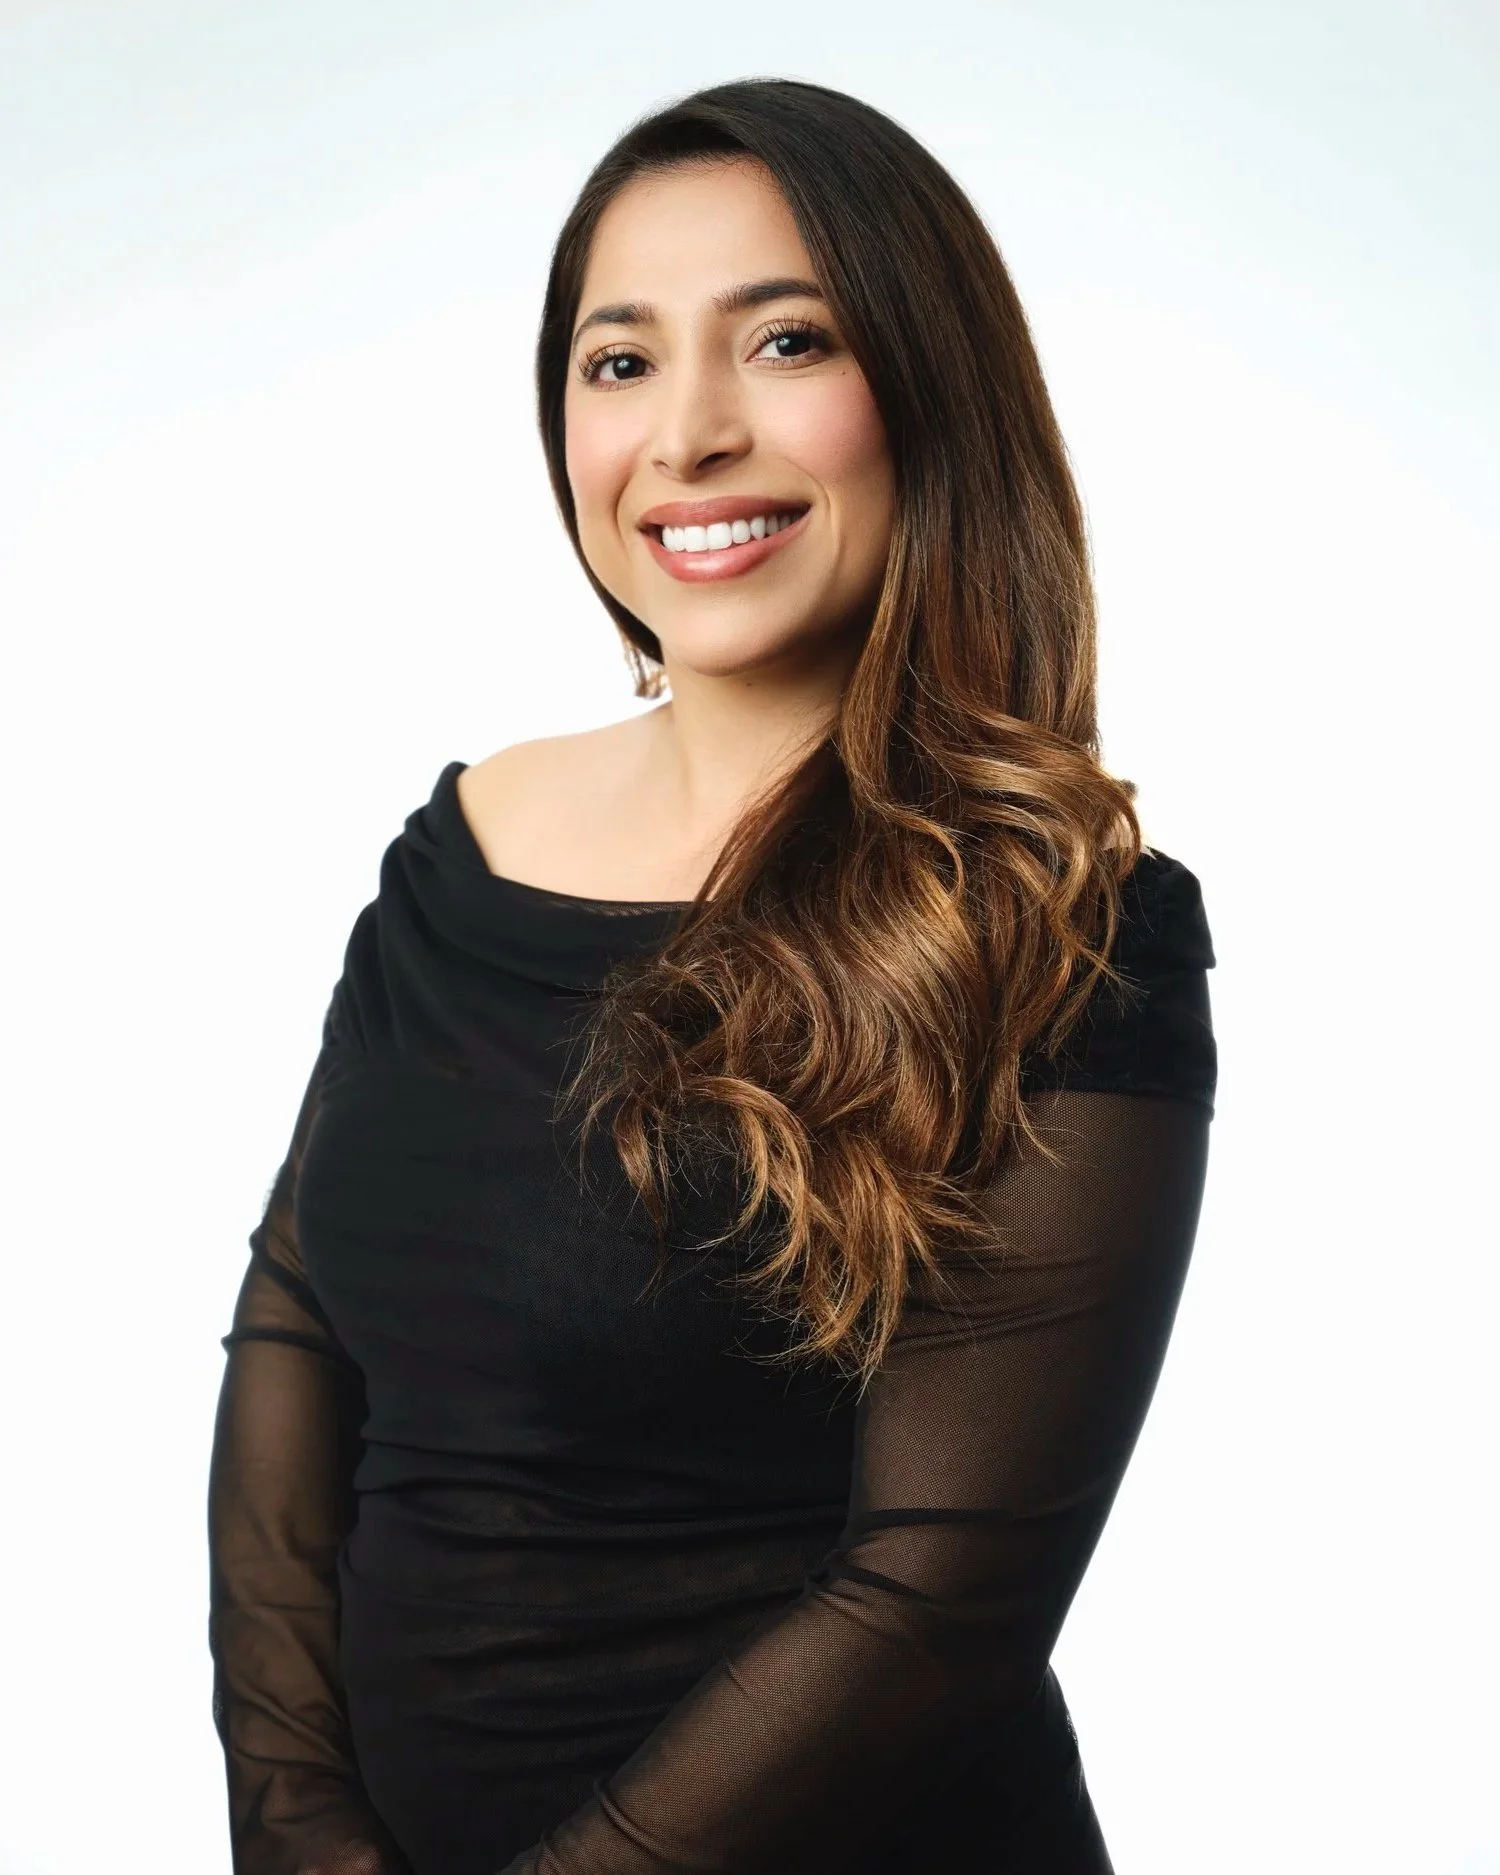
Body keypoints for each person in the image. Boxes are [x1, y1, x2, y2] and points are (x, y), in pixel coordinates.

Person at [206, 76, 1218, 1875]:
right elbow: (299, 1319)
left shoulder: (1064, 928)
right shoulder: (463, 844)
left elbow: (932, 1604)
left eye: (786, 341)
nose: (690, 433)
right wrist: (296, 1830)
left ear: (926, 393)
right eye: (621, 362)